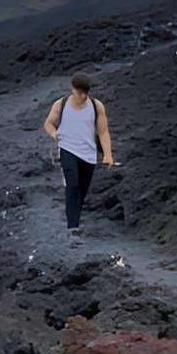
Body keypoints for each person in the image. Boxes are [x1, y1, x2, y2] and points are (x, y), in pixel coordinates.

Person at [42, 72, 115, 243]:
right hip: (67, 149)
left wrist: (108, 154)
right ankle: (73, 229)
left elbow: (103, 132)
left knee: (81, 191)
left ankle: (74, 218)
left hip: (88, 154)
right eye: (79, 92)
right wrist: (54, 133)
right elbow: (48, 123)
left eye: (85, 93)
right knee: (72, 185)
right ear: (72, 90)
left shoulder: (97, 106)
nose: (82, 96)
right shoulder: (61, 104)